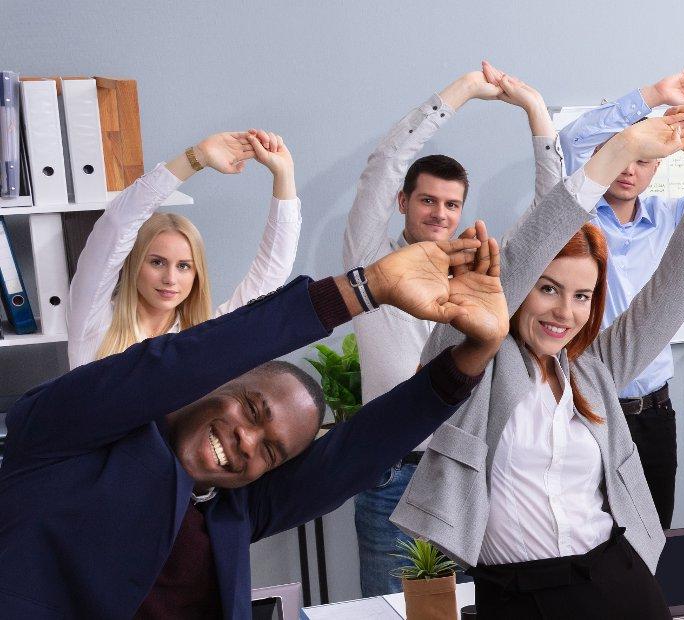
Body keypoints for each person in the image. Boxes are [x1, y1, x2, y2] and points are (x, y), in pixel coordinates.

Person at [0, 225, 507, 618]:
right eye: (251, 409)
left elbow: (354, 455)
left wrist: (476, 351)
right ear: (216, 383)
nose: (246, 440)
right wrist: (365, 288)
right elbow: (174, 364)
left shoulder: (230, 510)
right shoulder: (64, 432)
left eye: (270, 452)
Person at [394, 109, 684, 618]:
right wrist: (619, 150)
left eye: (582, 296)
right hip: (517, 595)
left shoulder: (591, 371)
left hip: (616, 578)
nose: (564, 312)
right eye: (548, 289)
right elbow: (527, 248)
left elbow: (672, 294)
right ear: (522, 288)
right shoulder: (471, 357)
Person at [343, 62, 562, 597]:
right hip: (390, 476)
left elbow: (552, 213)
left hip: (464, 475)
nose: (440, 213)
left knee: (467, 610)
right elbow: (385, 162)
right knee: (394, 611)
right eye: (427, 201)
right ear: (403, 203)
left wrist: (536, 112)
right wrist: (462, 91)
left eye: (451, 204)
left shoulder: (483, 274)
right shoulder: (369, 261)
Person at [556, 69, 684, 529]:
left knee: (652, 533)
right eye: (624, 156)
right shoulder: (574, 215)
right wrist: (652, 97)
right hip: (586, 408)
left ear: (659, 165)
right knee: (586, 538)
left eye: (644, 161)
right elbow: (570, 142)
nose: (629, 170)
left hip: (654, 413)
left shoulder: (674, 218)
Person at [67, 129, 300, 367]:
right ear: (134, 263)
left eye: (184, 266)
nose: (170, 278)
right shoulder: (93, 319)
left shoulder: (202, 339)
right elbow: (117, 224)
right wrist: (197, 157)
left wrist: (284, 174)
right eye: (157, 262)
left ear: (196, 274)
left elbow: (270, 274)